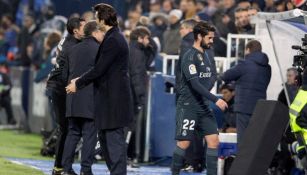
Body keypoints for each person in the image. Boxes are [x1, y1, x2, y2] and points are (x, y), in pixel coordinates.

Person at [66, 3, 133, 175]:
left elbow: (99, 69)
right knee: (106, 143)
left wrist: (78, 83)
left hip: (114, 101)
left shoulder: (114, 40)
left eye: (96, 17)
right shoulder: (112, 37)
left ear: (103, 19)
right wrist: (79, 79)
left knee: (114, 146)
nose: (96, 20)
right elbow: (99, 68)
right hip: (107, 100)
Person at [171, 21, 228, 175]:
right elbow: (195, 84)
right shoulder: (188, 56)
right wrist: (215, 99)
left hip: (203, 105)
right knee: (184, 142)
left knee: (213, 141)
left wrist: (205, 92)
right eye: (209, 38)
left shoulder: (208, 55)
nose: (212, 41)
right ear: (199, 36)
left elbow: (213, 75)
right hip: (188, 105)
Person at [62, 21, 104, 175]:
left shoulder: (72, 49)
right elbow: (100, 74)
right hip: (90, 97)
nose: (103, 36)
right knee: (89, 135)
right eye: (102, 33)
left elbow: (66, 74)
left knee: (72, 134)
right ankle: (85, 169)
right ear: (95, 32)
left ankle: (66, 169)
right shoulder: (100, 50)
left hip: (72, 97)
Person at [46, 17, 85, 175]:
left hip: (57, 86)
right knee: (66, 128)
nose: (86, 29)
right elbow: (64, 73)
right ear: (75, 31)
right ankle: (60, 167)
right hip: (60, 88)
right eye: (84, 27)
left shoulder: (67, 39)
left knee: (68, 128)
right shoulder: (72, 46)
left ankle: (61, 166)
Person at [221, 40, 271, 144]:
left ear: (248, 50)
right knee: (255, 139)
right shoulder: (267, 68)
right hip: (259, 106)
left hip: (244, 107)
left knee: (243, 139)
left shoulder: (245, 64)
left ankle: (242, 160)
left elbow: (226, 76)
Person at [127, 26, 151, 167]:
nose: (149, 41)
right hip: (132, 95)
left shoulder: (134, 50)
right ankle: (124, 158)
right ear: (140, 39)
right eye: (147, 38)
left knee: (129, 128)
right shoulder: (136, 53)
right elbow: (136, 76)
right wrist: (140, 96)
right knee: (129, 128)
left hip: (129, 94)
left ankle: (125, 157)